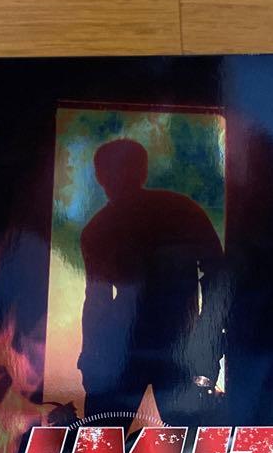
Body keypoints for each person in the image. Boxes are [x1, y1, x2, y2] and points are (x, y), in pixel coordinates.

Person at [77, 138, 226, 426]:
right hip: (172, 346)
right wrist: (208, 343)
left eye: (123, 169)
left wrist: (93, 360)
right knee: (190, 441)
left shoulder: (98, 229)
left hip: (140, 350)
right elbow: (218, 277)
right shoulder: (181, 211)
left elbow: (96, 301)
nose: (118, 178)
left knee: (103, 438)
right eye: (113, 171)